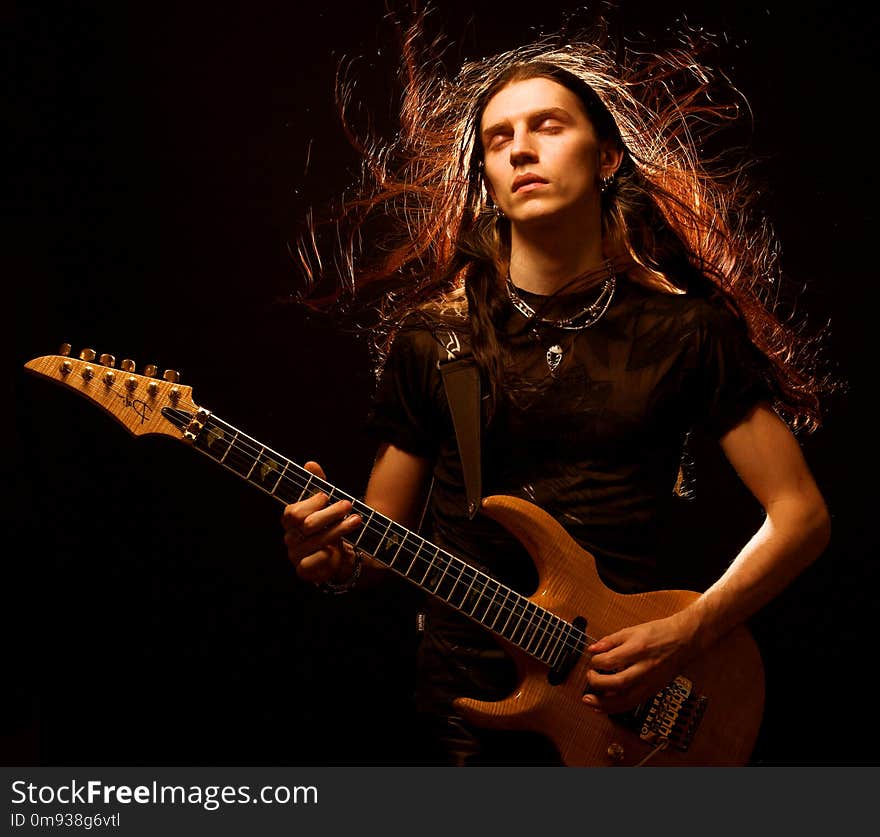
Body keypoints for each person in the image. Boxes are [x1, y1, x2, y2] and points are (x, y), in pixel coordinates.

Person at [279, 11, 833, 765]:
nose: (521, 150)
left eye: (546, 126)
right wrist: (334, 558)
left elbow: (801, 515)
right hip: (466, 714)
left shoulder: (685, 332)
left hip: (631, 704)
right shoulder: (434, 340)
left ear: (606, 157)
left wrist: (688, 631)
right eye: (500, 139)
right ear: (487, 177)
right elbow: (378, 539)